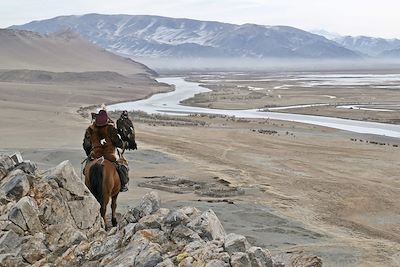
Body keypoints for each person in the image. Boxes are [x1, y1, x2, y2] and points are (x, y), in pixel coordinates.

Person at [83, 109, 130, 192]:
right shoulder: (110, 129)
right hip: (110, 156)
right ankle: (123, 185)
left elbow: (86, 145)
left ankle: (86, 186)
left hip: (95, 155)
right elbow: (118, 143)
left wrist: (89, 154)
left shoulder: (90, 129)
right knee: (122, 166)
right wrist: (122, 144)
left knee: (85, 170)